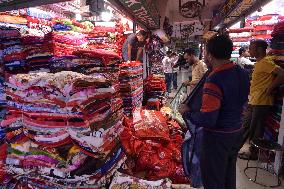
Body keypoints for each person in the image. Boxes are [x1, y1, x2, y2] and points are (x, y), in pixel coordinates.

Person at [179, 35, 250, 189]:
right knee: (228, 174)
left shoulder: (214, 80)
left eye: (205, 51)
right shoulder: (242, 72)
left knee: (213, 179)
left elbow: (208, 119)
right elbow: (243, 103)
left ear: (210, 55)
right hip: (236, 132)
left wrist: (186, 112)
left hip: (218, 137)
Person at [238, 40, 284, 160]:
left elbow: (282, 74)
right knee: (247, 125)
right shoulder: (260, 62)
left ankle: (253, 154)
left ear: (259, 49)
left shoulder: (265, 63)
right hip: (255, 100)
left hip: (262, 101)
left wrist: (270, 87)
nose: (249, 51)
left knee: (256, 129)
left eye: (251, 48)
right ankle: (235, 148)